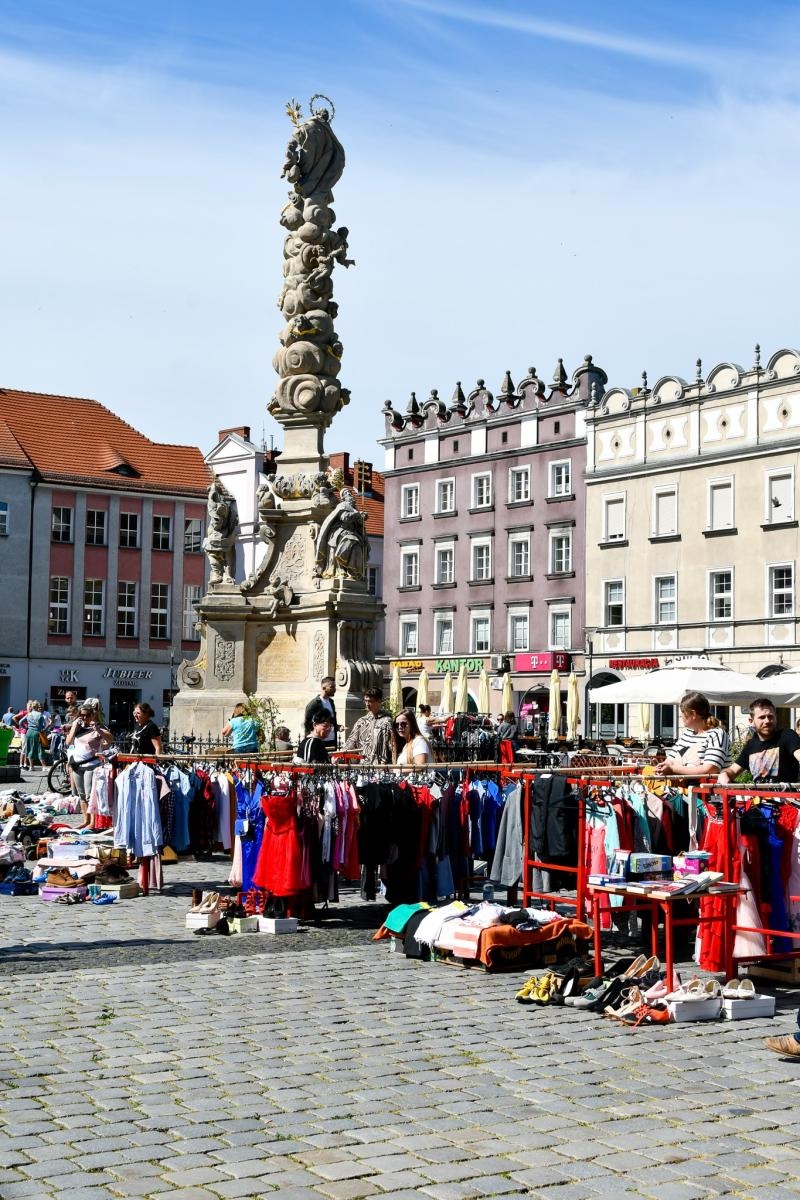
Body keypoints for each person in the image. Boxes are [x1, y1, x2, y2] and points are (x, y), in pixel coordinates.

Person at [717, 697, 800, 787]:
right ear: (751, 721)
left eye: (770, 716)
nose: (767, 721)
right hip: (758, 799)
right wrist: (724, 774)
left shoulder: (786, 735)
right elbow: (733, 771)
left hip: (785, 799)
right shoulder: (751, 745)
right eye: (762, 717)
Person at [655, 691, 731, 779]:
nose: (680, 716)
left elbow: (711, 769)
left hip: (706, 790)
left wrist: (673, 769)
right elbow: (670, 761)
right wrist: (661, 766)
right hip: (682, 789)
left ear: (693, 714)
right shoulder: (687, 734)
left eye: (683, 712)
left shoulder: (716, 734)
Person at [66, 704, 114, 828]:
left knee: (89, 795)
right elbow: (68, 741)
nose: (85, 717)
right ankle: (85, 821)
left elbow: (109, 739)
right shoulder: (78, 726)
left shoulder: (98, 726)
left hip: (91, 764)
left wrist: (97, 729)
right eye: (82, 715)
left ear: (92, 715)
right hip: (77, 764)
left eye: (87, 715)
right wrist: (74, 727)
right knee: (81, 795)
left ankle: (93, 823)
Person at [343, 688, 393, 764]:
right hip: (363, 764)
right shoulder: (361, 721)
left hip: (381, 765)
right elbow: (351, 742)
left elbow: (392, 745)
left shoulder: (387, 721)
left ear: (379, 701)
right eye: (365, 701)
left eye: (370, 701)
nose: (367, 704)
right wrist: (340, 755)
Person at [304, 676, 338, 748]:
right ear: (323, 688)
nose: (335, 689)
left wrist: (337, 726)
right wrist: (309, 740)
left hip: (332, 740)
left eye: (335, 687)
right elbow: (307, 723)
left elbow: (331, 721)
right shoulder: (314, 704)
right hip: (319, 740)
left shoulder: (331, 702)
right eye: (332, 687)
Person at [22, 700, 49, 771]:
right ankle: (44, 766)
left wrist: (25, 727)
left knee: (30, 749)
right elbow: (42, 726)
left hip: (29, 732)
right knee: (40, 749)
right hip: (37, 733)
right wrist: (45, 728)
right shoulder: (40, 715)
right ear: (37, 707)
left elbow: (20, 722)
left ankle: (31, 766)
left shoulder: (28, 714)